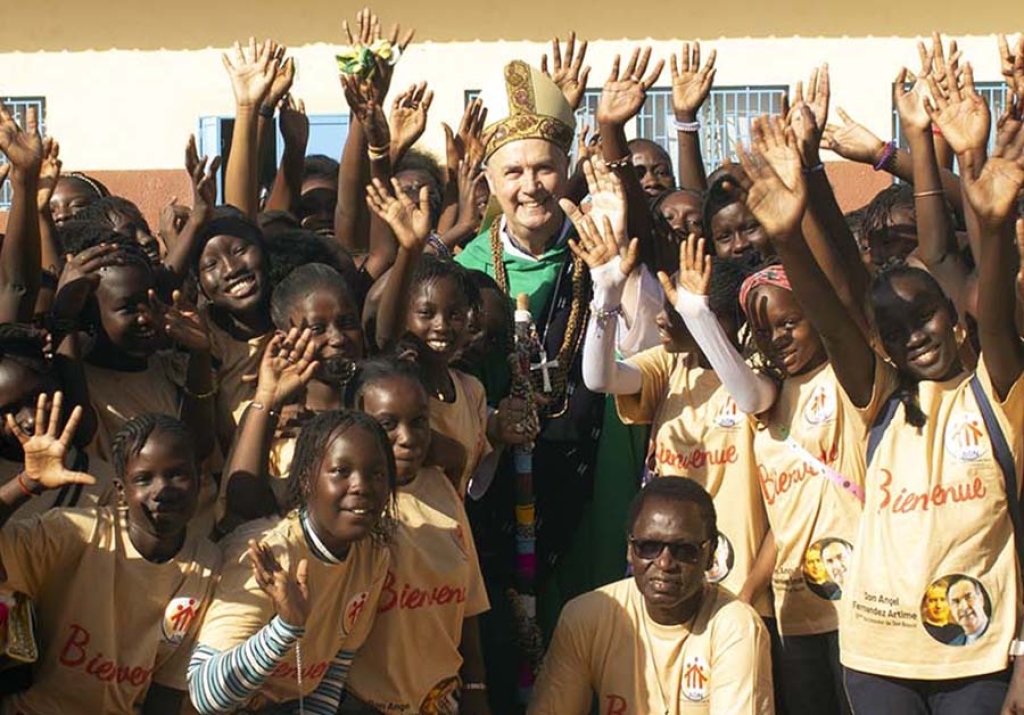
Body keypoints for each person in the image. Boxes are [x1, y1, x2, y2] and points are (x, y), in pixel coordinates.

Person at [0, 399, 220, 714]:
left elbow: (166, 694)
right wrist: (26, 483)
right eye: (143, 479)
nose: (162, 490)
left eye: (177, 475)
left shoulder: (209, 565)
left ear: (200, 479)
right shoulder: (75, 532)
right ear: (120, 491)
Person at [188, 408, 395, 713]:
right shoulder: (268, 554)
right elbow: (205, 695)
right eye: (341, 471)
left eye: (376, 474)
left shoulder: (372, 556)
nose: (361, 486)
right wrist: (285, 628)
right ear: (308, 478)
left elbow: (332, 671)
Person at [528, 477, 774, 714]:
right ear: (629, 550)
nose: (665, 563)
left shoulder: (736, 628)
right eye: (648, 547)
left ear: (710, 555)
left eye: (683, 550)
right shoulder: (587, 618)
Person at [342, 356, 491, 714]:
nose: (407, 439)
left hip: (439, 701)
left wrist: (476, 686)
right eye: (387, 424)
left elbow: (468, 604)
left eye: (419, 422)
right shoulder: (349, 503)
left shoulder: (442, 489)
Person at [946, 576, 991, 646]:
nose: (964, 607)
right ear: (951, 609)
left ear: (981, 599)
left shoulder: (1005, 631)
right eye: (956, 602)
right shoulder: (952, 646)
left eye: (968, 597)